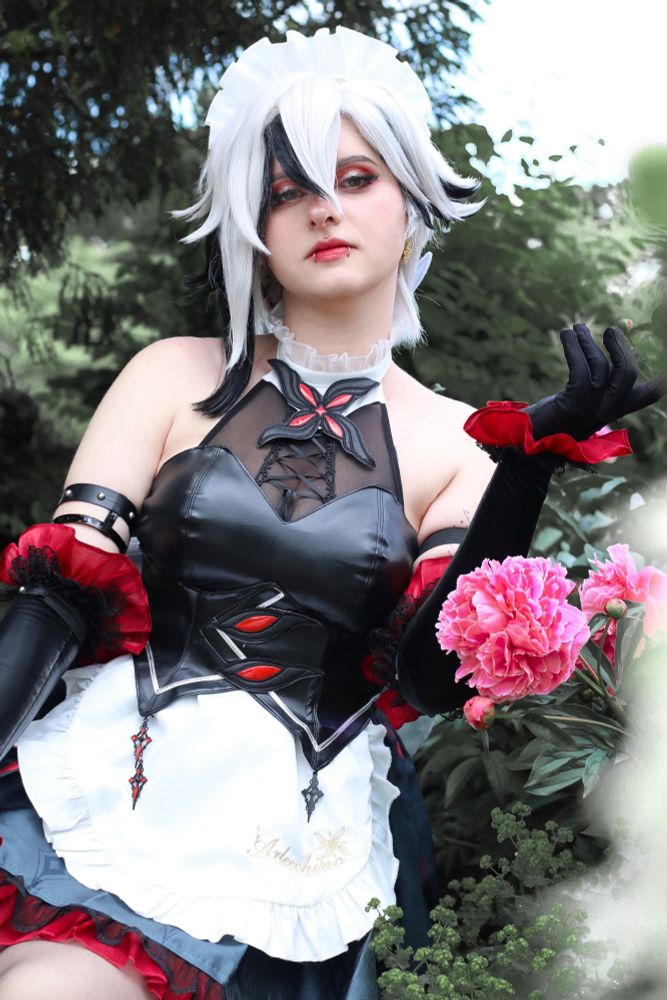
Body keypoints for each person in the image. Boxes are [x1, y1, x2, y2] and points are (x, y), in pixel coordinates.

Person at [0, 26, 661, 1000]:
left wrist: (522, 469)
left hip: (297, 846)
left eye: (355, 178)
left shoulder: (458, 443)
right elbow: (58, 597)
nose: (322, 208)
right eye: (286, 191)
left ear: (411, 204)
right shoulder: (171, 375)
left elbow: (429, 678)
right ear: (254, 231)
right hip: (103, 786)